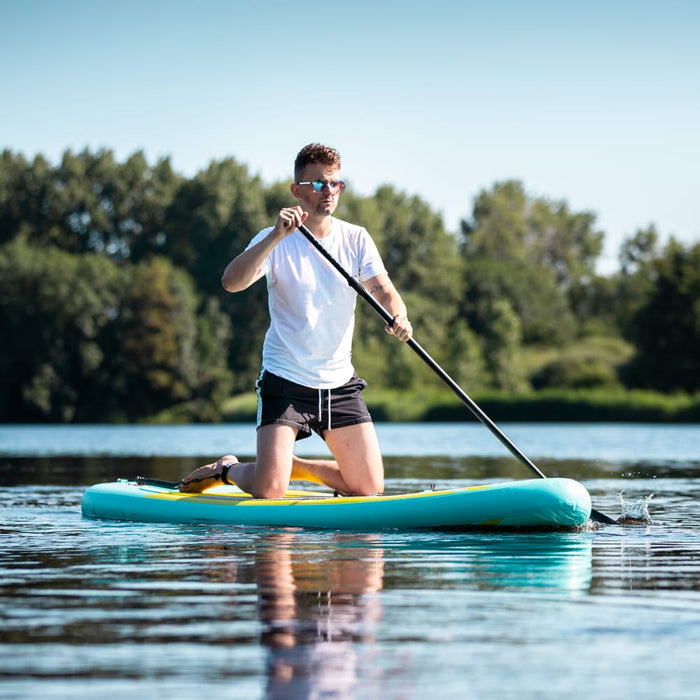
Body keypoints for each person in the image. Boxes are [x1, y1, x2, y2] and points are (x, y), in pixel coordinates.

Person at [179, 143, 412, 498]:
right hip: (285, 379)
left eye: (335, 184)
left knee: (367, 488)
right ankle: (227, 469)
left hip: (339, 382)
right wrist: (275, 236)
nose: (328, 192)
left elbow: (383, 289)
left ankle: (294, 465)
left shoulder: (356, 238)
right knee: (270, 490)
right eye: (318, 184)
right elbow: (231, 282)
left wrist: (399, 314)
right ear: (296, 191)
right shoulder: (274, 240)